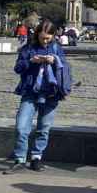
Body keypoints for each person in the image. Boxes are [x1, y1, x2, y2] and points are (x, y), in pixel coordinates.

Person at [4, 20, 70, 174]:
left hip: (51, 93)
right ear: (37, 35)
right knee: (21, 127)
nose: (45, 41)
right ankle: (19, 159)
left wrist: (55, 61)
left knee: (44, 128)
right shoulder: (28, 48)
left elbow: (65, 68)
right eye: (42, 38)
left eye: (48, 38)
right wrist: (31, 61)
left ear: (53, 36)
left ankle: (36, 157)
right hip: (30, 91)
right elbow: (18, 68)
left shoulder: (57, 48)